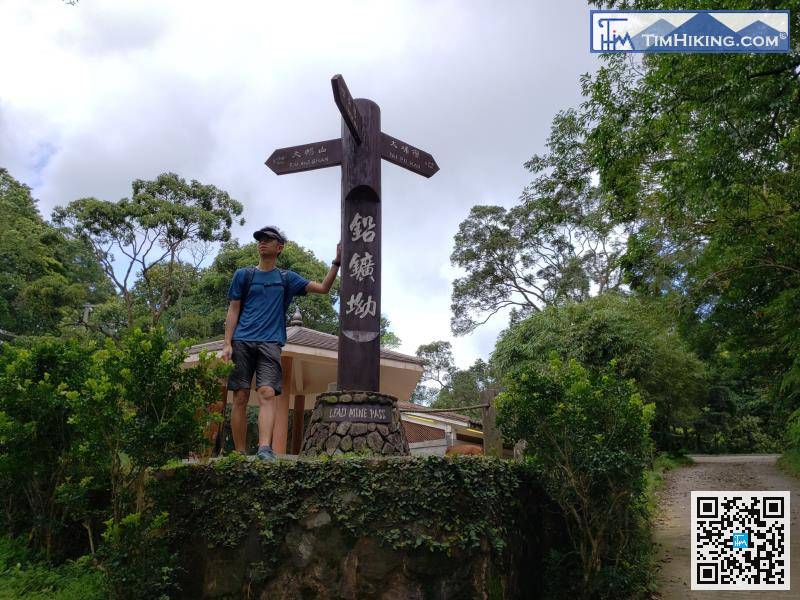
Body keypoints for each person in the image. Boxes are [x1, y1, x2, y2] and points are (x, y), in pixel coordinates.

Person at [221, 225, 340, 460]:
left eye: (268, 239)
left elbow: (324, 289)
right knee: (240, 396)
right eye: (260, 239)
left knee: (266, 392)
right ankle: (239, 452)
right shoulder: (243, 275)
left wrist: (336, 263)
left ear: (279, 247)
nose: (262, 242)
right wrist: (227, 343)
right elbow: (233, 310)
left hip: (271, 342)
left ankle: (265, 448)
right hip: (242, 340)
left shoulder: (287, 278)